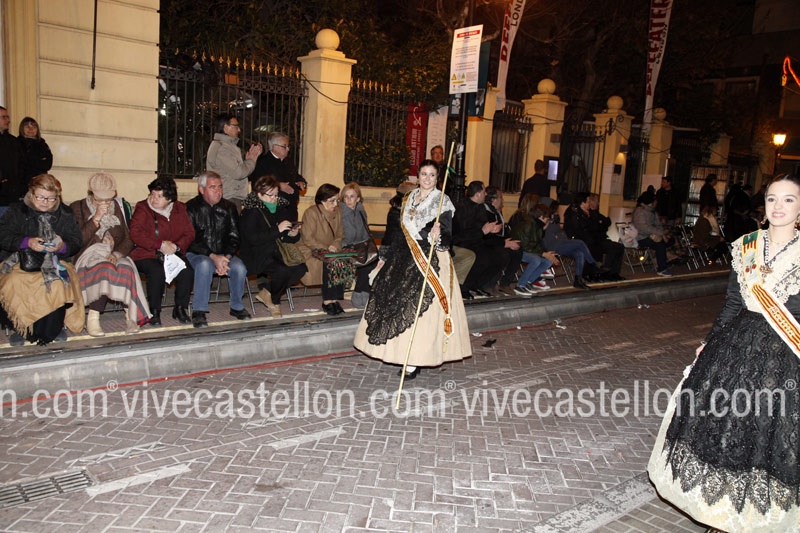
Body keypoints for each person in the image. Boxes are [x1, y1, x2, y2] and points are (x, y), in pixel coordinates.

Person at [648, 173, 800, 532]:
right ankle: (721, 515)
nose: (778, 207)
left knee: (767, 437)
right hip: (735, 351)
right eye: (772, 199)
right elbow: (732, 302)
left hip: (784, 356)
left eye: (789, 199)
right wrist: (710, 340)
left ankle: (757, 519)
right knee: (724, 432)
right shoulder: (746, 245)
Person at [354, 159, 472, 380]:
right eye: (424, 174)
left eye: (432, 175)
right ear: (417, 177)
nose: (427, 178)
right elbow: (397, 232)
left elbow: (447, 234)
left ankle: (415, 359)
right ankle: (398, 352)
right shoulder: (408, 198)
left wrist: (438, 235)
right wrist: (384, 257)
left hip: (430, 258)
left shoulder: (442, 201)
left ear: (437, 178)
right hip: (403, 255)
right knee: (394, 302)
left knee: (421, 311)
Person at [0, 173, 84, 346]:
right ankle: (22, 328)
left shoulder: (65, 213)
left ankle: (53, 329)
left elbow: (76, 241)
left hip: (55, 261)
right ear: (31, 194)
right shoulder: (17, 211)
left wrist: (61, 246)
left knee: (57, 283)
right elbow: (3, 236)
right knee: (15, 281)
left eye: (51, 198)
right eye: (40, 197)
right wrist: (27, 242)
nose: (45, 202)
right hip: (18, 261)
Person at [70, 172, 150, 336]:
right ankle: (93, 318)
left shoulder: (116, 207)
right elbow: (77, 241)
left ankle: (130, 317)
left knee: (126, 268)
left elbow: (128, 238)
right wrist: (96, 219)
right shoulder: (78, 207)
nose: (105, 203)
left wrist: (117, 254)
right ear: (92, 194)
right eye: (101, 199)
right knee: (104, 268)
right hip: (88, 254)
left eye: (108, 199)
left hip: (113, 253)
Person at [185, 171, 251, 328]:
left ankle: (236, 306)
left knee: (240, 267)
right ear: (201, 189)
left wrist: (226, 257)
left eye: (220, 187)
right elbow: (190, 240)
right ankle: (199, 311)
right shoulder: (190, 208)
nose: (218, 191)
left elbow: (235, 236)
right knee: (204, 265)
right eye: (212, 187)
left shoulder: (229, 207)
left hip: (223, 254)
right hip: (198, 253)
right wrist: (213, 256)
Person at [130, 176, 195, 327]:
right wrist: (159, 244)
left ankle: (180, 308)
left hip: (172, 253)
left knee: (187, 271)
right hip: (146, 253)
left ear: (169, 198)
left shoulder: (180, 209)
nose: (154, 199)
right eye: (152, 194)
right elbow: (135, 233)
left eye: (159, 196)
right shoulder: (143, 208)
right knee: (156, 271)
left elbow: (189, 233)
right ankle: (154, 311)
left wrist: (176, 246)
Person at [239, 175, 307, 318]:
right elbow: (252, 239)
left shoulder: (279, 208)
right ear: (259, 194)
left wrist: (293, 234)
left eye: (276, 195)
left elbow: (283, 237)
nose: (275, 199)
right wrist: (277, 229)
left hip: (275, 251)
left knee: (300, 268)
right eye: (271, 195)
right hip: (255, 254)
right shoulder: (250, 212)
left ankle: (268, 293)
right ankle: (275, 303)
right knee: (282, 271)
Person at [297, 183, 353, 316]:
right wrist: (326, 248)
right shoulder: (311, 213)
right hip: (312, 249)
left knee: (342, 259)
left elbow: (340, 234)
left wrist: (335, 245)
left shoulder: (338, 212)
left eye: (337, 200)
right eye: (332, 201)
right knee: (330, 262)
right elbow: (308, 239)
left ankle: (335, 299)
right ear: (322, 200)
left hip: (331, 248)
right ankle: (328, 301)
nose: (336, 204)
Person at [452, 181, 504, 297]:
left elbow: (483, 228)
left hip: (476, 241)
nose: (486, 194)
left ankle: (477, 285)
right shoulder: (462, 207)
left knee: (498, 257)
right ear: (478, 194)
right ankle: (464, 287)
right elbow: (463, 233)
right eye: (484, 191)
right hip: (462, 243)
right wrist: (482, 231)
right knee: (482, 258)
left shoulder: (480, 207)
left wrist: (491, 230)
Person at [206, 113, 262, 212]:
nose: (239, 130)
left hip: (229, 195)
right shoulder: (222, 148)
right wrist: (251, 160)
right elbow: (238, 173)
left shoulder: (226, 146)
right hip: (228, 197)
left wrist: (247, 161)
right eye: (236, 126)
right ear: (225, 128)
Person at [564, 192, 625, 281]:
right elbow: (578, 230)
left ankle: (612, 273)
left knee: (618, 247)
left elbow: (601, 223)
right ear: (583, 202)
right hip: (581, 240)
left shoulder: (590, 212)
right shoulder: (574, 213)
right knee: (594, 246)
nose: (590, 204)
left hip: (595, 238)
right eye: (588, 202)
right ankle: (594, 273)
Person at [539, 203, 601, 290]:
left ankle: (578, 280)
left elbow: (559, 230)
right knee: (580, 243)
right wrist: (549, 222)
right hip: (554, 246)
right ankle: (593, 264)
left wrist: (556, 223)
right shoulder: (544, 219)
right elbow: (544, 231)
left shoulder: (554, 219)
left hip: (562, 242)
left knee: (579, 253)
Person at [250, 131, 306, 220]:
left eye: (288, 146)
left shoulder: (289, 162)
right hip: (273, 210)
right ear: (274, 147)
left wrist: (301, 182)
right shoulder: (263, 162)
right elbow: (258, 185)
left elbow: (297, 176)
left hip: (291, 209)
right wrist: (278, 186)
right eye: (284, 146)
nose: (288, 149)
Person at [509, 194, 556, 296]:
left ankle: (527, 282)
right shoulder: (528, 224)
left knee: (548, 261)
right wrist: (543, 254)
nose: (548, 221)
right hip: (516, 250)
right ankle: (520, 285)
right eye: (547, 218)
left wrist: (546, 254)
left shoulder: (538, 225)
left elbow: (537, 244)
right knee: (536, 259)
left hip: (526, 249)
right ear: (541, 217)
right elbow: (525, 246)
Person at [340, 182, 377, 309]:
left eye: (352, 196)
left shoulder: (361, 211)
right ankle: (358, 294)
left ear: (358, 199)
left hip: (360, 246)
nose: (348, 200)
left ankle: (363, 292)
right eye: (346, 196)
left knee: (372, 261)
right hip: (345, 247)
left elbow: (364, 231)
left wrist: (366, 245)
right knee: (363, 263)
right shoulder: (339, 212)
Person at [483, 186, 522, 295]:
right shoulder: (486, 212)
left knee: (517, 250)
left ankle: (505, 283)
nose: (502, 200)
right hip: (487, 243)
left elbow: (502, 231)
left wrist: (509, 241)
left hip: (497, 241)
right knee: (503, 254)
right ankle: (489, 284)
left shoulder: (497, 212)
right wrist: (505, 243)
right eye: (501, 197)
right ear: (494, 199)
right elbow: (488, 236)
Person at [632, 189, 672, 276]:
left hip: (651, 234)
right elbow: (642, 228)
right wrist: (660, 233)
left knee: (670, 239)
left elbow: (658, 225)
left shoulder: (652, 211)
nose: (657, 202)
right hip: (641, 237)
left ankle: (669, 259)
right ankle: (662, 268)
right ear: (651, 202)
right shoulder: (640, 212)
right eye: (655, 200)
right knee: (660, 244)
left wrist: (663, 233)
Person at [18, 117, 53, 191]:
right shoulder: (16, 143)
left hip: (39, 181)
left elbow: (47, 164)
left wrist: (30, 160)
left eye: (34, 127)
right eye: (27, 126)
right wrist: (37, 160)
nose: (31, 129)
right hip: (21, 182)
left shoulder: (43, 145)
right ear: (22, 128)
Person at [0, 106, 23, 212]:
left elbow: (21, 165)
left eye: (7, 117)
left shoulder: (14, 141)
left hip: (12, 195)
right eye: (3, 117)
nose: (8, 120)